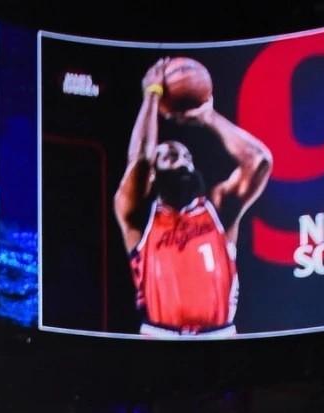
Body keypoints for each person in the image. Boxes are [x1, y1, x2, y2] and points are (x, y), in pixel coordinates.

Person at [114, 58, 271, 338]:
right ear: (153, 174)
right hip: (159, 337)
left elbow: (259, 160)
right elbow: (140, 160)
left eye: (187, 157)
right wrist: (152, 94)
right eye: (171, 156)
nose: (183, 162)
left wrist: (208, 116)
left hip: (220, 338)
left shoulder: (218, 209)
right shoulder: (139, 216)